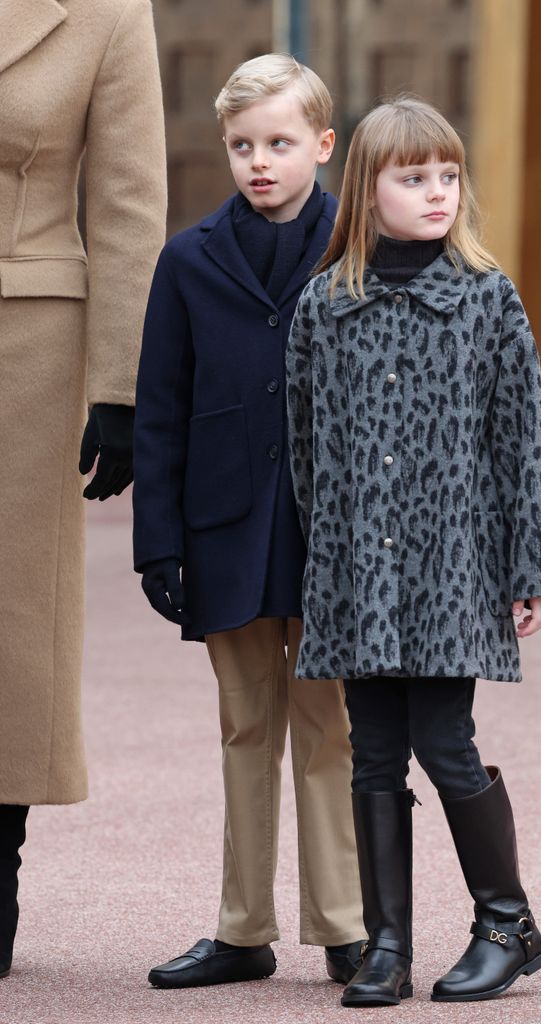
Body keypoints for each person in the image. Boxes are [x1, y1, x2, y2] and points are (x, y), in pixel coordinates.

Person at [285, 96, 541, 1008]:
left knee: (445, 742)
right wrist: (328, 556)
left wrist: (533, 572)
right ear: (368, 193)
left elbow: (522, 445)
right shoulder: (323, 309)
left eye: (448, 175)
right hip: (355, 575)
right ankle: (386, 945)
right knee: (371, 752)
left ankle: (504, 923)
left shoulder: (486, 300)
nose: (437, 192)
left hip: (454, 571)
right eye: (414, 178)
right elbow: (305, 449)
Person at [133, 54, 365, 991]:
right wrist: (159, 541)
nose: (257, 163)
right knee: (242, 725)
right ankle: (241, 930)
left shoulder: (360, 251)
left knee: (329, 725)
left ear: (322, 144)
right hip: (225, 526)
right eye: (240, 146)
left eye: (277, 143)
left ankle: (346, 926)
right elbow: (160, 407)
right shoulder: (188, 259)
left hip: (331, 535)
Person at [0, 0, 166, 979]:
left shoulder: (105, 8)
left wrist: (121, 386)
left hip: (24, 346)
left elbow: (128, 197)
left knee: (14, 616)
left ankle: (0, 853)